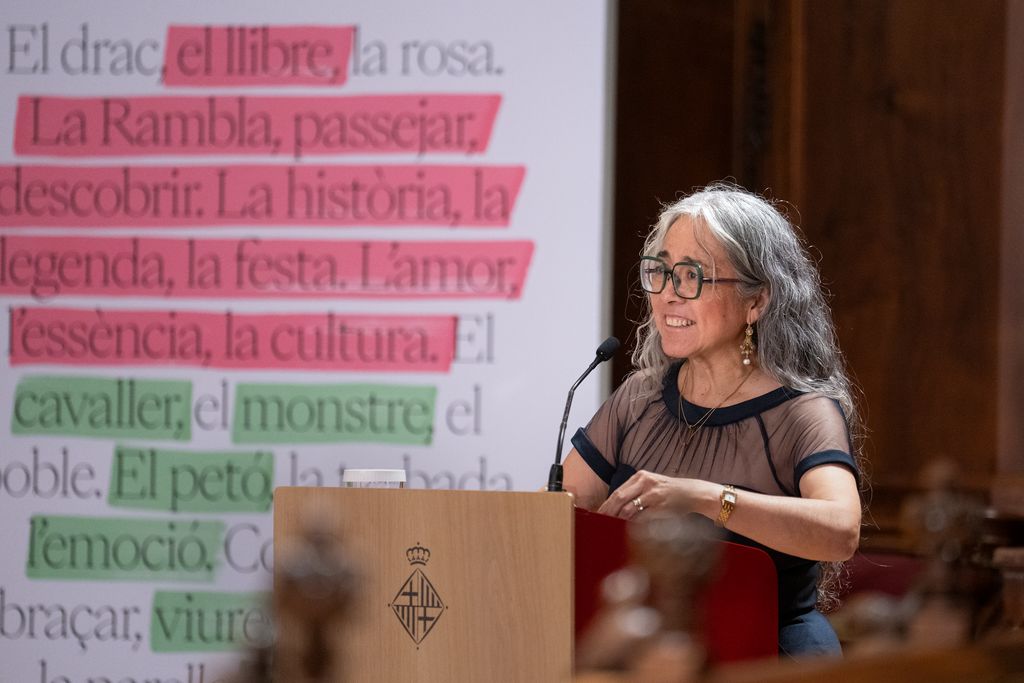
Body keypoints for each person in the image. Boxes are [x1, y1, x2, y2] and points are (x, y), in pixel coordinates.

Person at [562, 183, 864, 658]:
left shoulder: (800, 412)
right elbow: (563, 508)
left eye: (692, 277)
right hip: (655, 656)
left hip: (769, 656)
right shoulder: (639, 398)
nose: (667, 296)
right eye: (659, 273)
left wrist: (703, 498)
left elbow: (840, 531)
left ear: (757, 301)